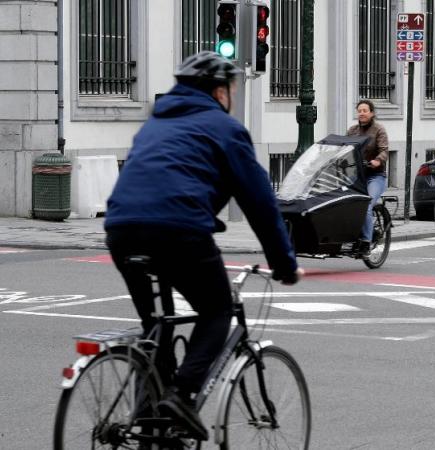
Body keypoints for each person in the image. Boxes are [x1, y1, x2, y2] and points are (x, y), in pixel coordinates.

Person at [104, 51, 303, 440]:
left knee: (155, 327)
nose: (232, 95)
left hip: (121, 229)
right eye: (231, 87)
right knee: (217, 310)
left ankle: (151, 424)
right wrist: (283, 263)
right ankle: (180, 396)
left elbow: (163, 178)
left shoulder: (155, 125)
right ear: (219, 91)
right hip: (176, 231)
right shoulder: (224, 127)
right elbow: (260, 203)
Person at [347, 99, 389, 257]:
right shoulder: (352, 131)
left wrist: (378, 160)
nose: (361, 113)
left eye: (365, 110)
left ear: (371, 113)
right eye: (359, 110)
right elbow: (345, 148)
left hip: (375, 176)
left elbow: (384, 150)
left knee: (366, 204)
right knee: (342, 202)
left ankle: (365, 242)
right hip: (357, 175)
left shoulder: (379, 129)